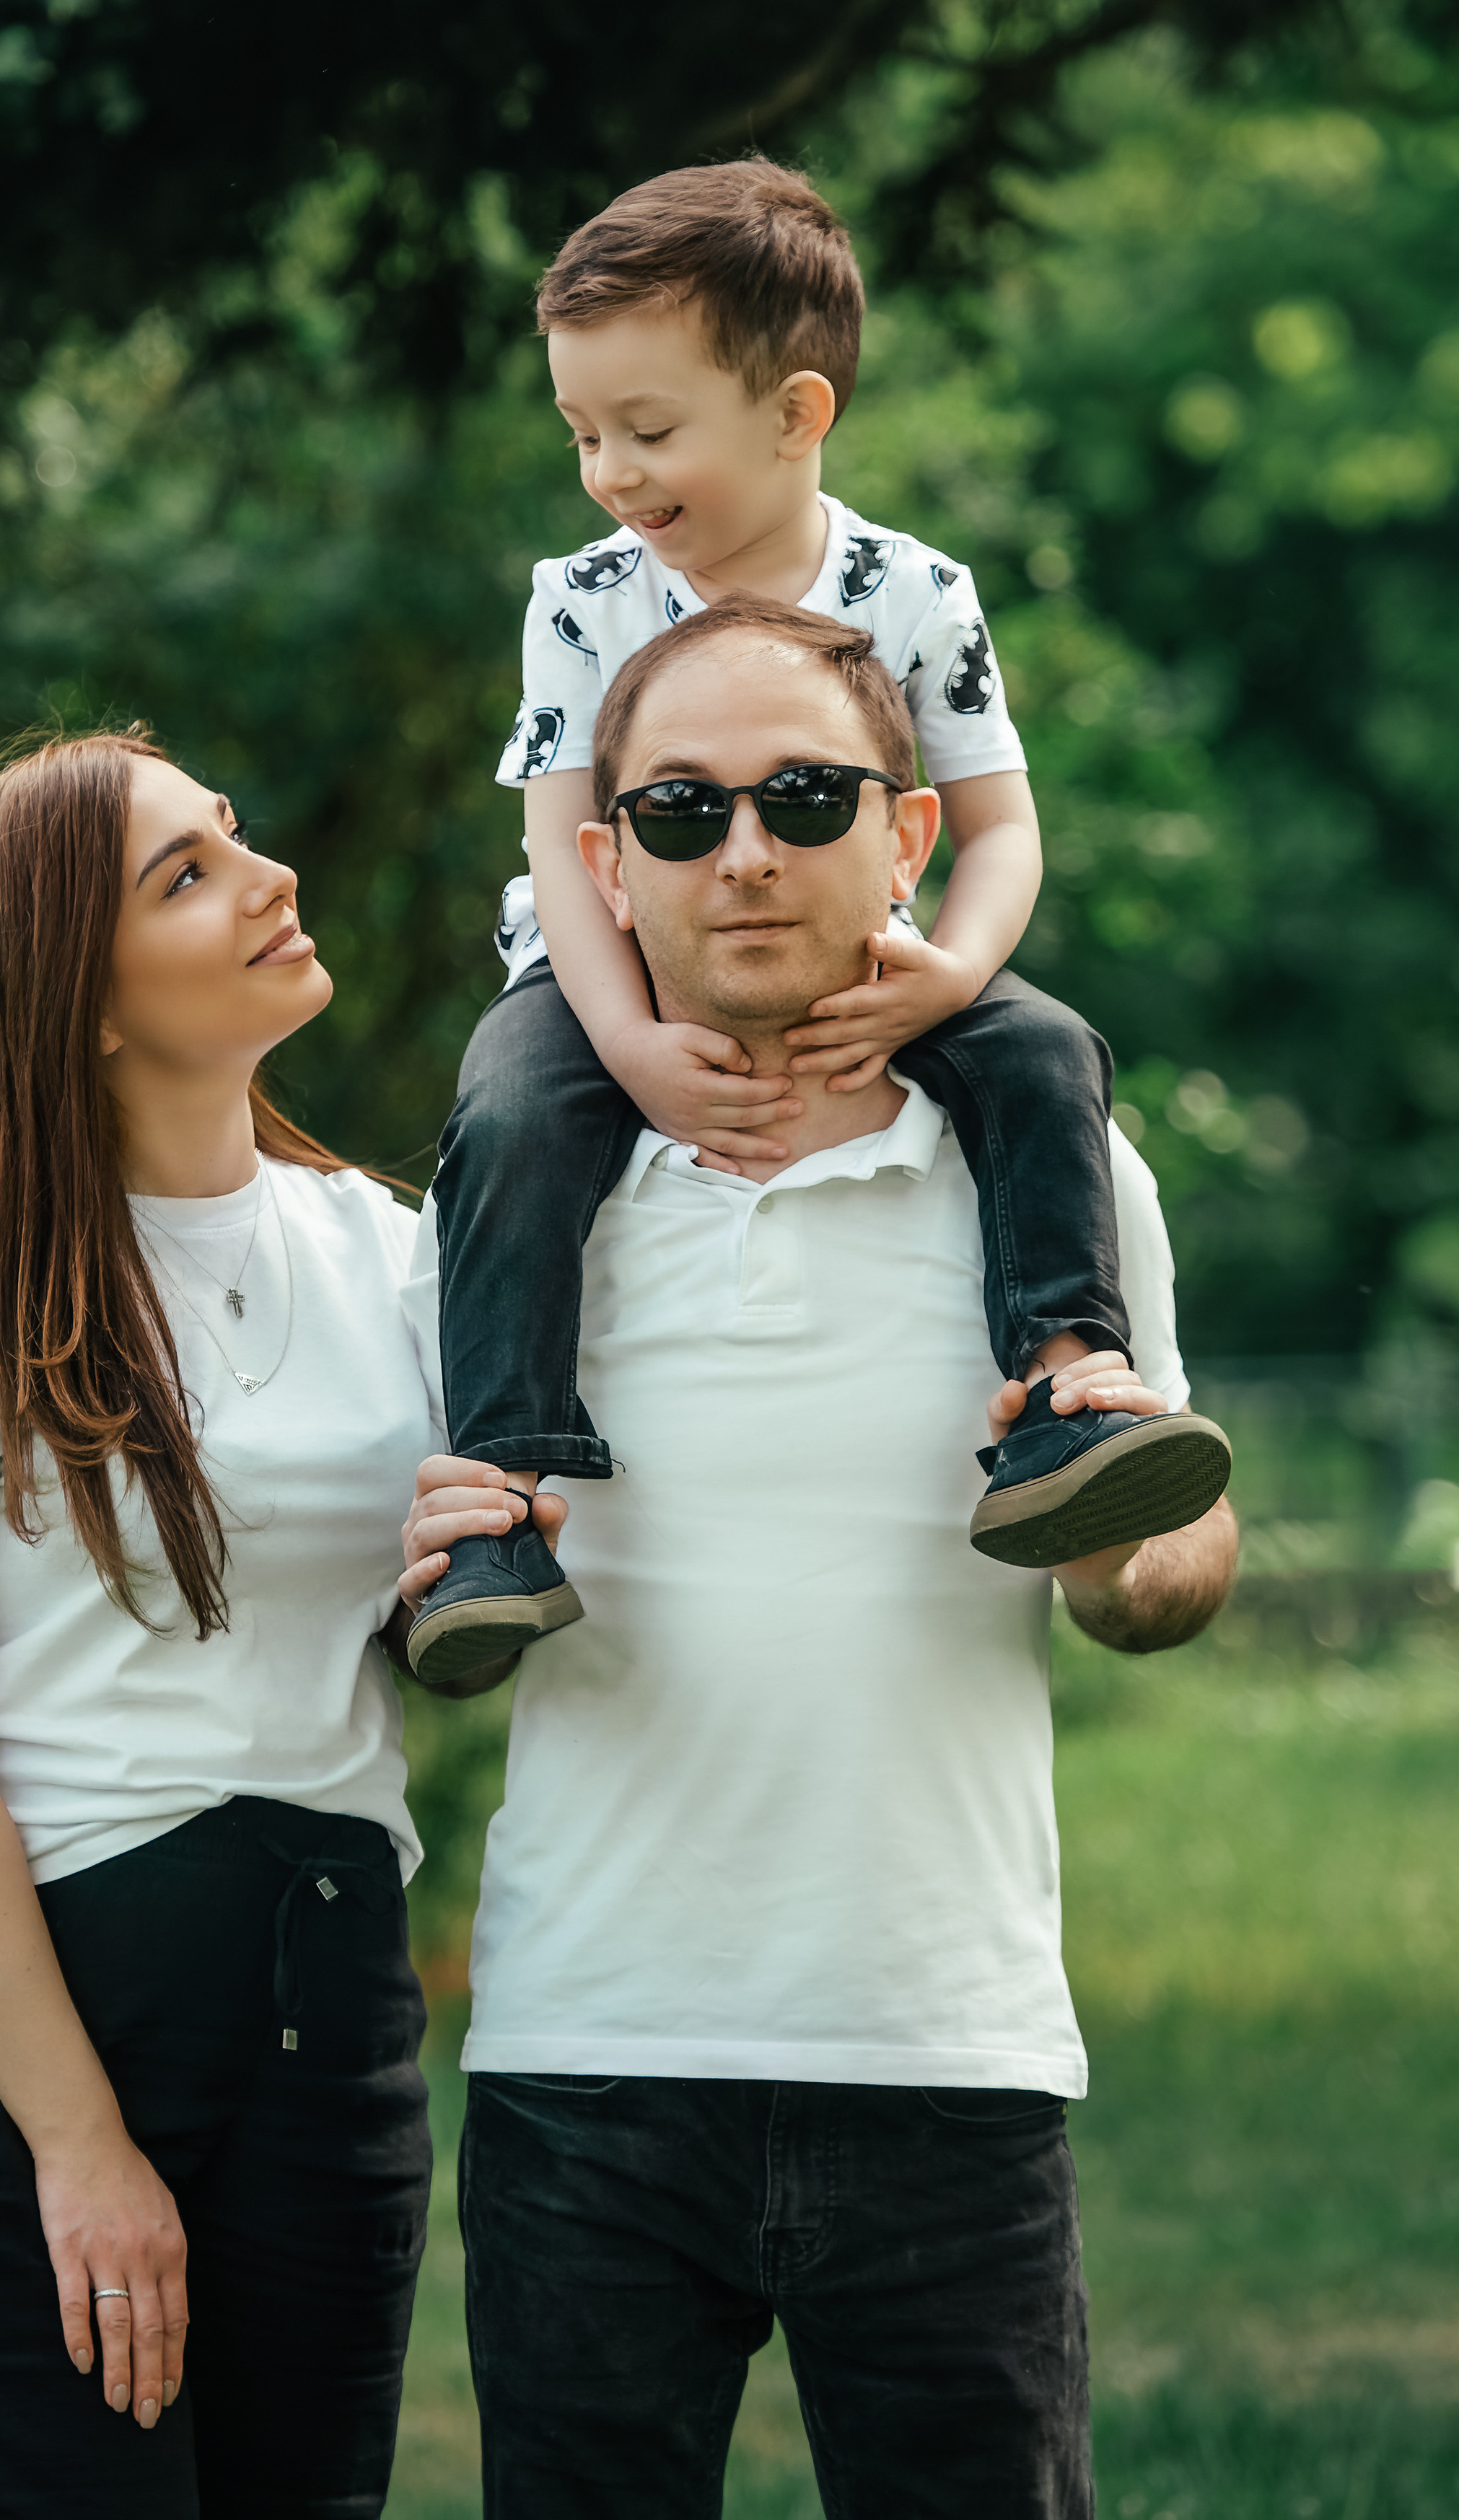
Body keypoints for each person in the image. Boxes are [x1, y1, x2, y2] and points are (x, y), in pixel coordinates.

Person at [398, 604, 1241, 2517]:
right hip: (587, 2057)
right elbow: (393, 1607)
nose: (749, 854)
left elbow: (1178, 1548)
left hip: (945, 2045)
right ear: (601, 864)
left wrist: (1128, 1560)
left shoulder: (1063, 1176)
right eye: (683, 812)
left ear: (912, 834)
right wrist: (415, 1579)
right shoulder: (505, 1198)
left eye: (803, 796)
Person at [409, 158, 1230, 1680]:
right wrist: (630, 1045)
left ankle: (1064, 1395)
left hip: (876, 958)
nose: (608, 472)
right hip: (598, 966)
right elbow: (561, 847)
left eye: (647, 432)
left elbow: (995, 827)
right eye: (581, 432)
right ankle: (502, 1503)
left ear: (794, 415)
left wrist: (950, 975)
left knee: (1046, 1051)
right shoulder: (584, 597)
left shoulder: (911, 591)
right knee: (514, 1114)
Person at [0, 730, 442, 2519]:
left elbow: (429, 1620)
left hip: (329, 2021)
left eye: (234, 837)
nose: (268, 881)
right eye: (184, 875)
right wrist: (78, 2146)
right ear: (74, 1002)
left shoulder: (388, 1251)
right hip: (15, 2065)